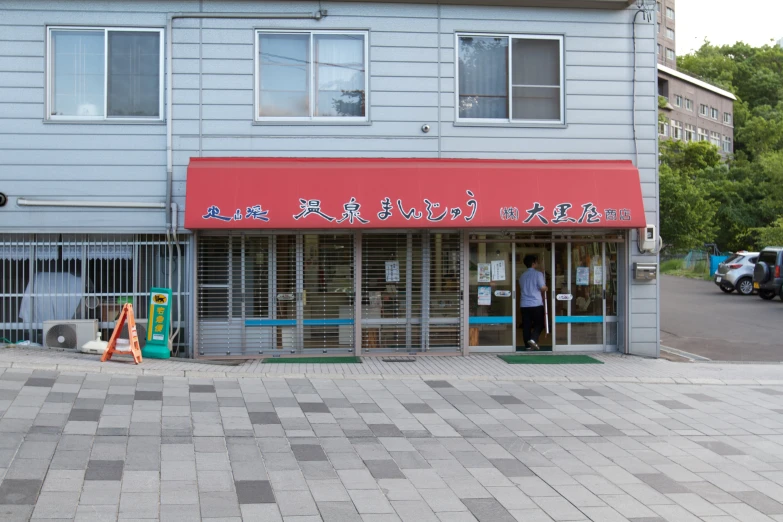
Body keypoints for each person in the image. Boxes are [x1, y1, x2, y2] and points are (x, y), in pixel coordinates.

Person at [518, 254, 548, 350]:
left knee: (526, 325)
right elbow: (542, 288)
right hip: (536, 303)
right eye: (536, 262)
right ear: (534, 263)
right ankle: (533, 339)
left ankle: (527, 346)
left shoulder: (522, 276)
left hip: (524, 304)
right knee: (540, 323)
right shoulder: (538, 274)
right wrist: (546, 287)